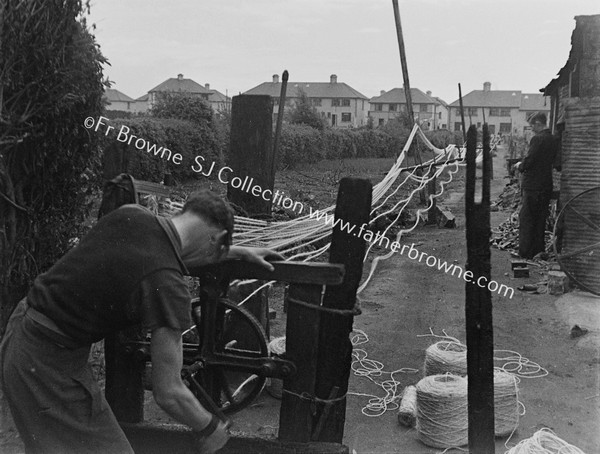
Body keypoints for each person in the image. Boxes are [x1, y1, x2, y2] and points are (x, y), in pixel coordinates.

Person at [0, 189, 283, 454]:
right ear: (215, 238)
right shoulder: (167, 285)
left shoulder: (132, 215)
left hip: (24, 331)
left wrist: (237, 251)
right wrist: (210, 427)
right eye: (218, 249)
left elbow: (159, 252)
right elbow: (168, 392)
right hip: (46, 364)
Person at [514, 112, 559, 259]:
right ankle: (538, 251)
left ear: (539, 124)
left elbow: (530, 161)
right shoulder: (553, 139)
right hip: (546, 184)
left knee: (526, 218)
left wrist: (520, 165)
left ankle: (525, 253)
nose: (532, 129)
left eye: (532, 125)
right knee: (540, 219)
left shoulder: (537, 139)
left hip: (533, 186)